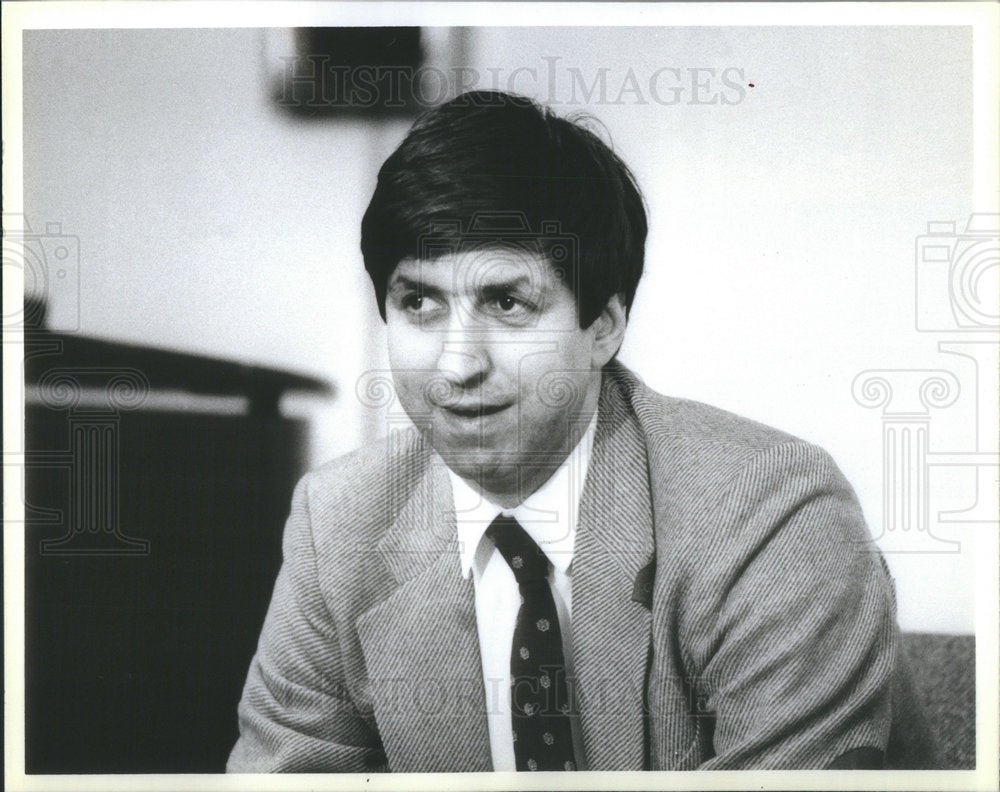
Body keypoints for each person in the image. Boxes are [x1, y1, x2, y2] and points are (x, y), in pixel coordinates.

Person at [227, 90, 931, 773]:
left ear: (604, 327)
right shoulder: (339, 522)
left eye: (507, 302)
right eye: (419, 302)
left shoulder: (769, 516)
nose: (457, 364)